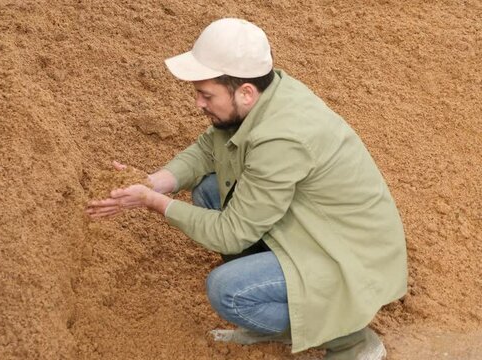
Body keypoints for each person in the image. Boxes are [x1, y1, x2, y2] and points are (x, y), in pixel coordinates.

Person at [86, 18, 407, 359]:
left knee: (228, 292)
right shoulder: (268, 94)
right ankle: (294, 315)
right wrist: (153, 181)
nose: (198, 103)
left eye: (206, 94)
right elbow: (208, 149)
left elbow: (231, 234)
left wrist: (154, 202)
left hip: (347, 255)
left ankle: (351, 339)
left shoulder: (282, 138)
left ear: (245, 92)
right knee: (211, 191)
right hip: (314, 226)